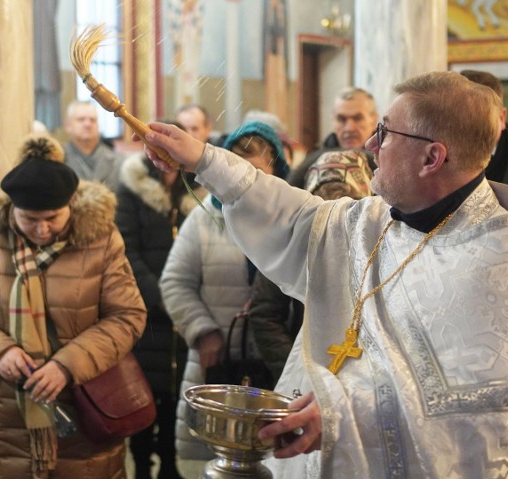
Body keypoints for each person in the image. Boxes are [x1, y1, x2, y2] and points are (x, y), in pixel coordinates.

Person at [140, 71, 508, 478]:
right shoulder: (378, 219)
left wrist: (342, 414)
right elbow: (298, 222)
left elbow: (479, 415)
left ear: (432, 157)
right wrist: (203, 159)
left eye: (385, 133)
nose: (370, 146)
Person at [0, 134, 146, 478]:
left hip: (86, 411)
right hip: (6, 417)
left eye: (52, 217)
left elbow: (128, 316)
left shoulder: (101, 239)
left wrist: (67, 366)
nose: (42, 229)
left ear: (72, 204)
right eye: (29, 219)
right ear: (12, 210)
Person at [159, 121, 289, 465]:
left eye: (257, 171)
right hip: (216, 365)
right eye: (237, 168)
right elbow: (174, 281)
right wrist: (203, 332)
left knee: (271, 457)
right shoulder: (204, 218)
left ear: (275, 169)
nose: (245, 181)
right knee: (211, 455)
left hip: (276, 366)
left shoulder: (290, 220)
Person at [114, 132, 203, 479]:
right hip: (146, 308)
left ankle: (168, 464)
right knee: (143, 390)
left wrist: (184, 299)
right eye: (158, 152)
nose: (165, 159)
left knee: (175, 386)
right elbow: (126, 251)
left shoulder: (199, 187)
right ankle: (142, 466)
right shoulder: (131, 188)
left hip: (187, 308)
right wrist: (164, 297)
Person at [249, 150, 372, 382]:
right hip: (303, 378)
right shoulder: (290, 242)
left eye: (346, 211)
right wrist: (301, 374)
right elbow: (265, 314)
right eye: (325, 212)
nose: (334, 225)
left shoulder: (379, 243)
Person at [287, 87, 379, 188]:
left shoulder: (389, 163)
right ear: (333, 121)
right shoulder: (310, 165)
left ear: (374, 120)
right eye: (341, 119)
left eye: (358, 118)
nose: (349, 128)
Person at [62, 100, 123, 190]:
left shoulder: (119, 162)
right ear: (68, 125)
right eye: (81, 119)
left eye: (93, 120)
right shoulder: (59, 160)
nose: (88, 124)